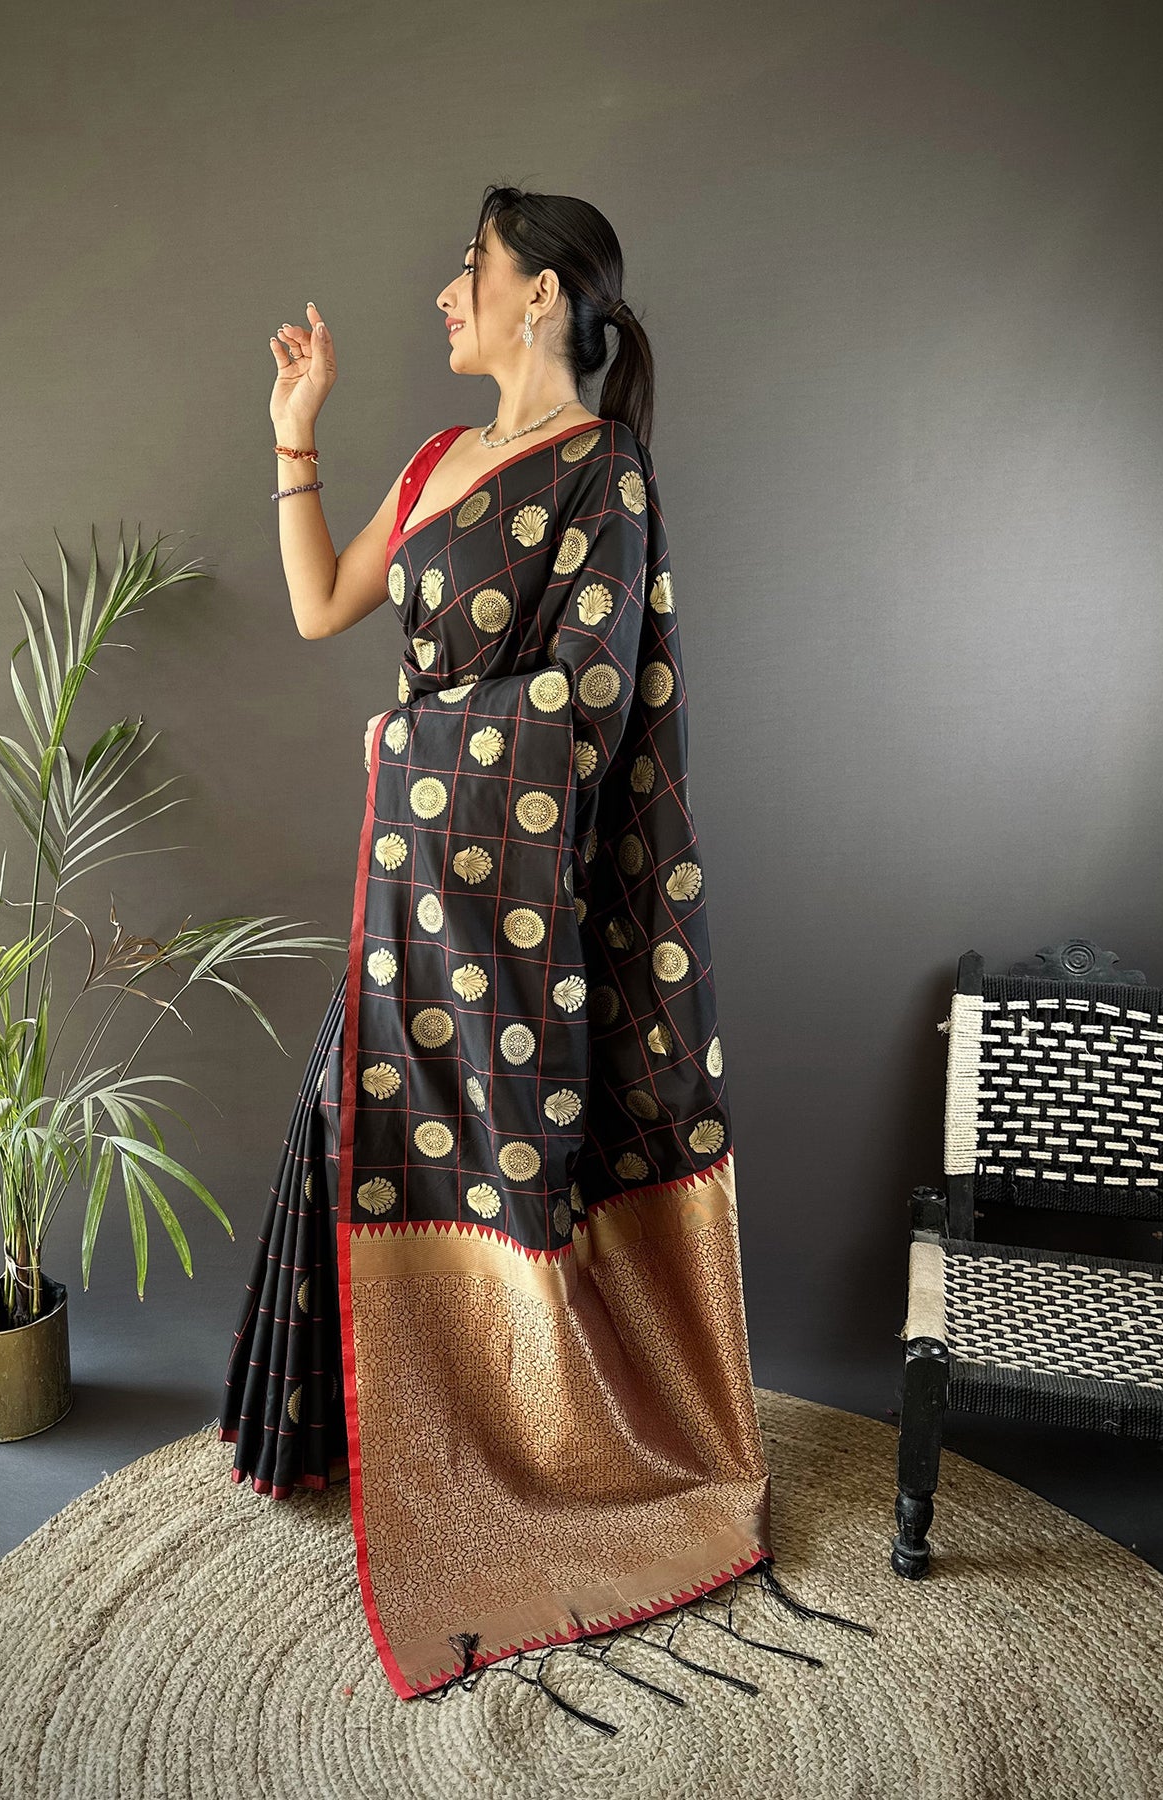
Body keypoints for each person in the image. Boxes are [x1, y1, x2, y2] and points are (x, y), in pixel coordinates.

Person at [219, 183, 869, 1720]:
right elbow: (319, 607)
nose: (446, 293)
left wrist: (414, 740)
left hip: (522, 908)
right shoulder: (437, 461)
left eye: (473, 269)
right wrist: (295, 436)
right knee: (355, 1128)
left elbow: (588, 698)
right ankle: (353, 1433)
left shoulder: (603, 473)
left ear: (544, 295)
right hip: (415, 891)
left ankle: (536, 1460)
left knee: (502, 1160)